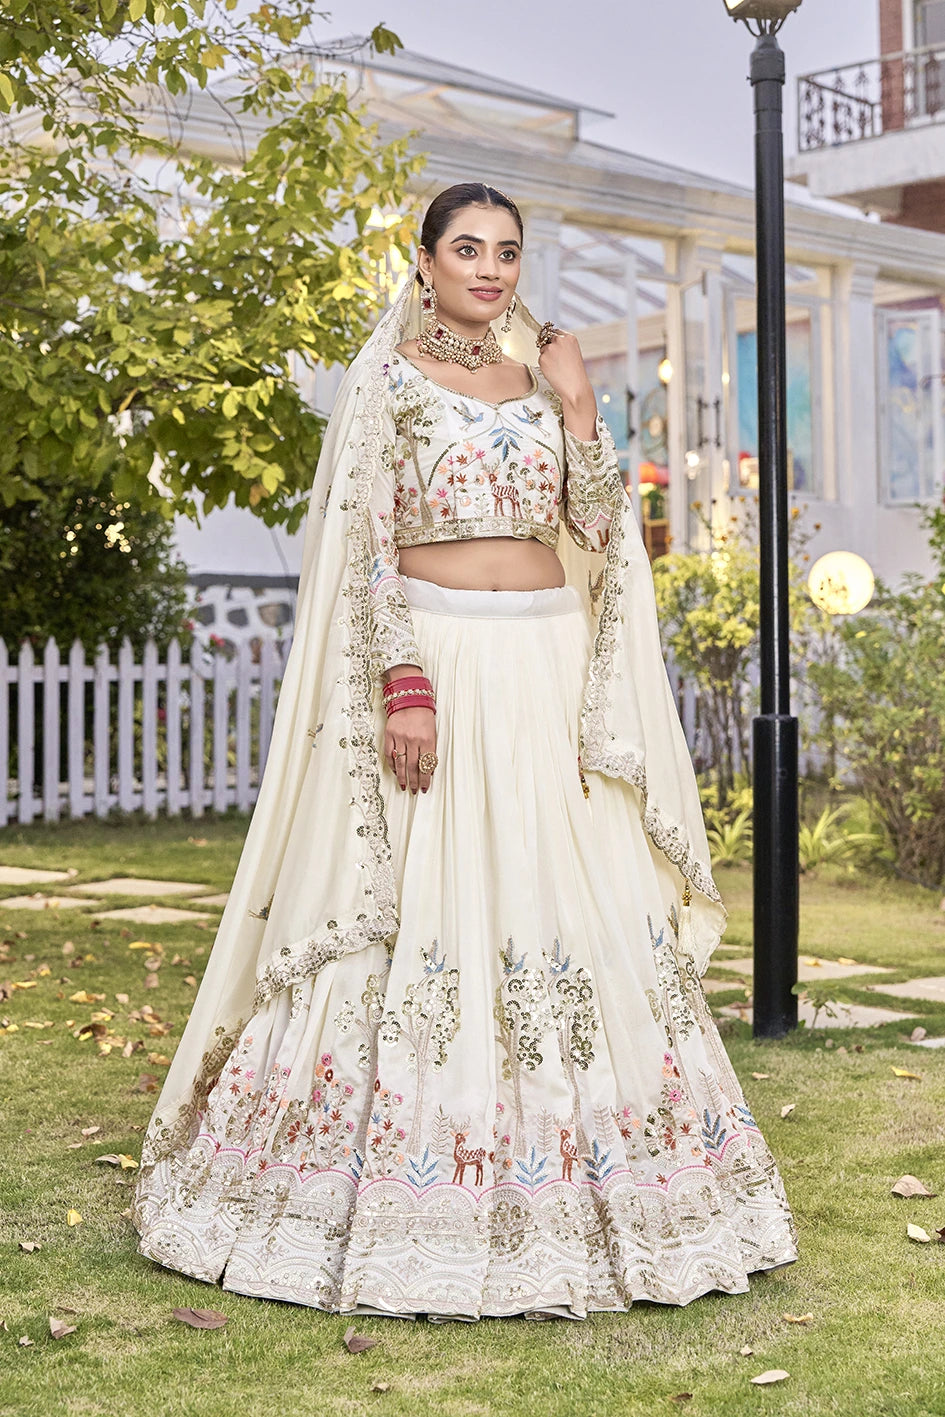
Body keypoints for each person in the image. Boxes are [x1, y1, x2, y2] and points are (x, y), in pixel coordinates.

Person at [131, 182, 798, 1322]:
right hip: (437, 657)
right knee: (423, 899)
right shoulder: (387, 380)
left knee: (552, 894)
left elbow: (599, 535)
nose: (489, 269)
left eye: (507, 252)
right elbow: (365, 542)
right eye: (468, 249)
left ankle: (611, 1179)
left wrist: (580, 411)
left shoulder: (545, 380)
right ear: (426, 262)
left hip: (544, 660)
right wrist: (404, 682)